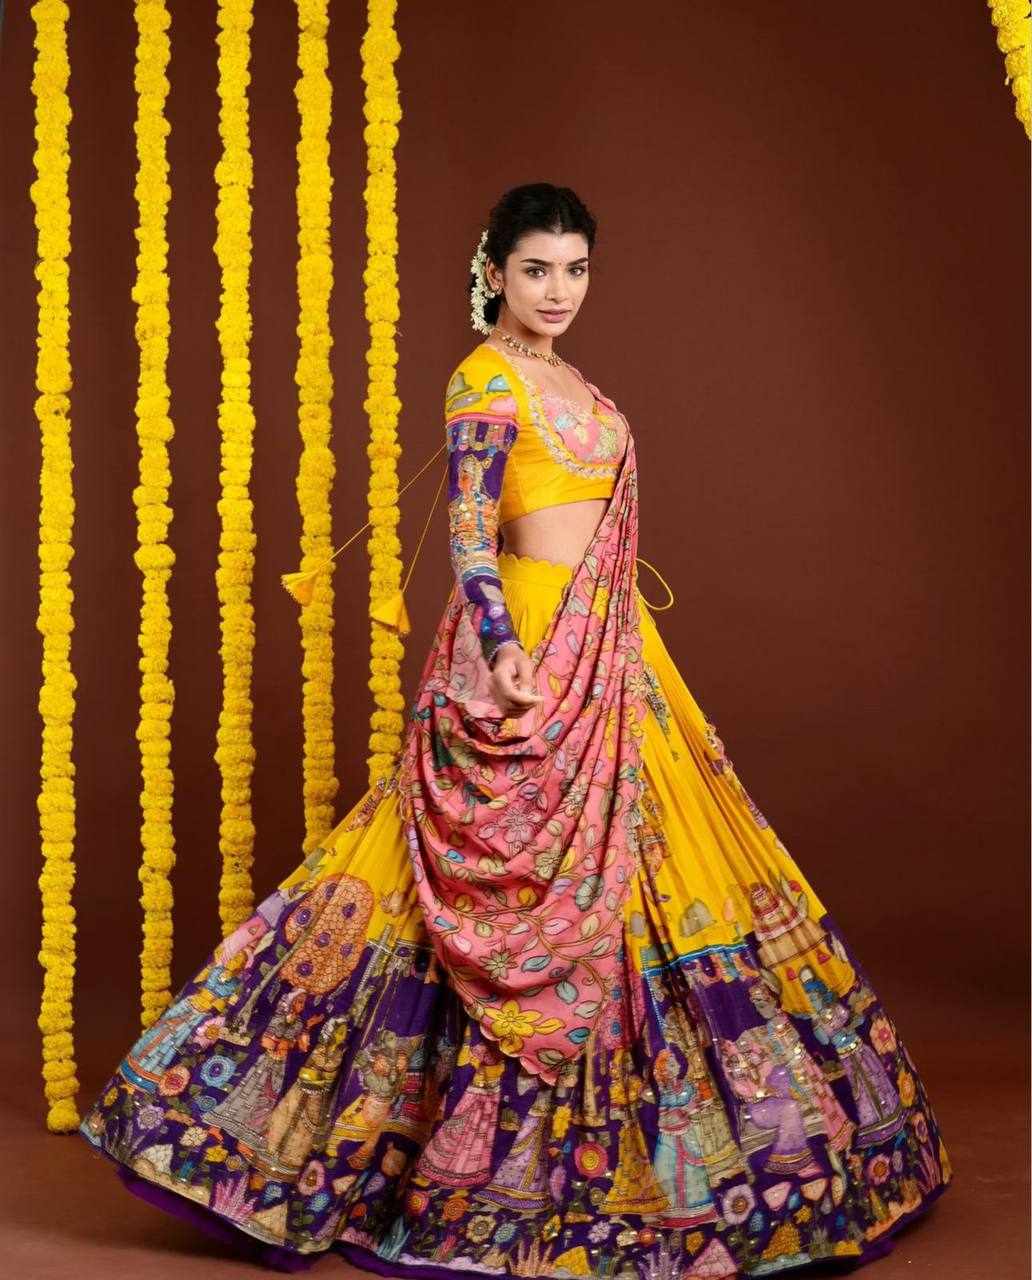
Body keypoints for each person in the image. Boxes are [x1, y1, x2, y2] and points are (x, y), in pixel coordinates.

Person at [79, 183, 953, 1277]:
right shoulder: (483, 378)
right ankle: (278, 1127)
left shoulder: (576, 381)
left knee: (658, 858)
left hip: (612, 648)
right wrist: (500, 648)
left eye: (575, 269)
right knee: (455, 875)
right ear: (494, 270)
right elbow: (469, 534)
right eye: (537, 269)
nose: (558, 290)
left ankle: (690, 1153)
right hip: (529, 647)